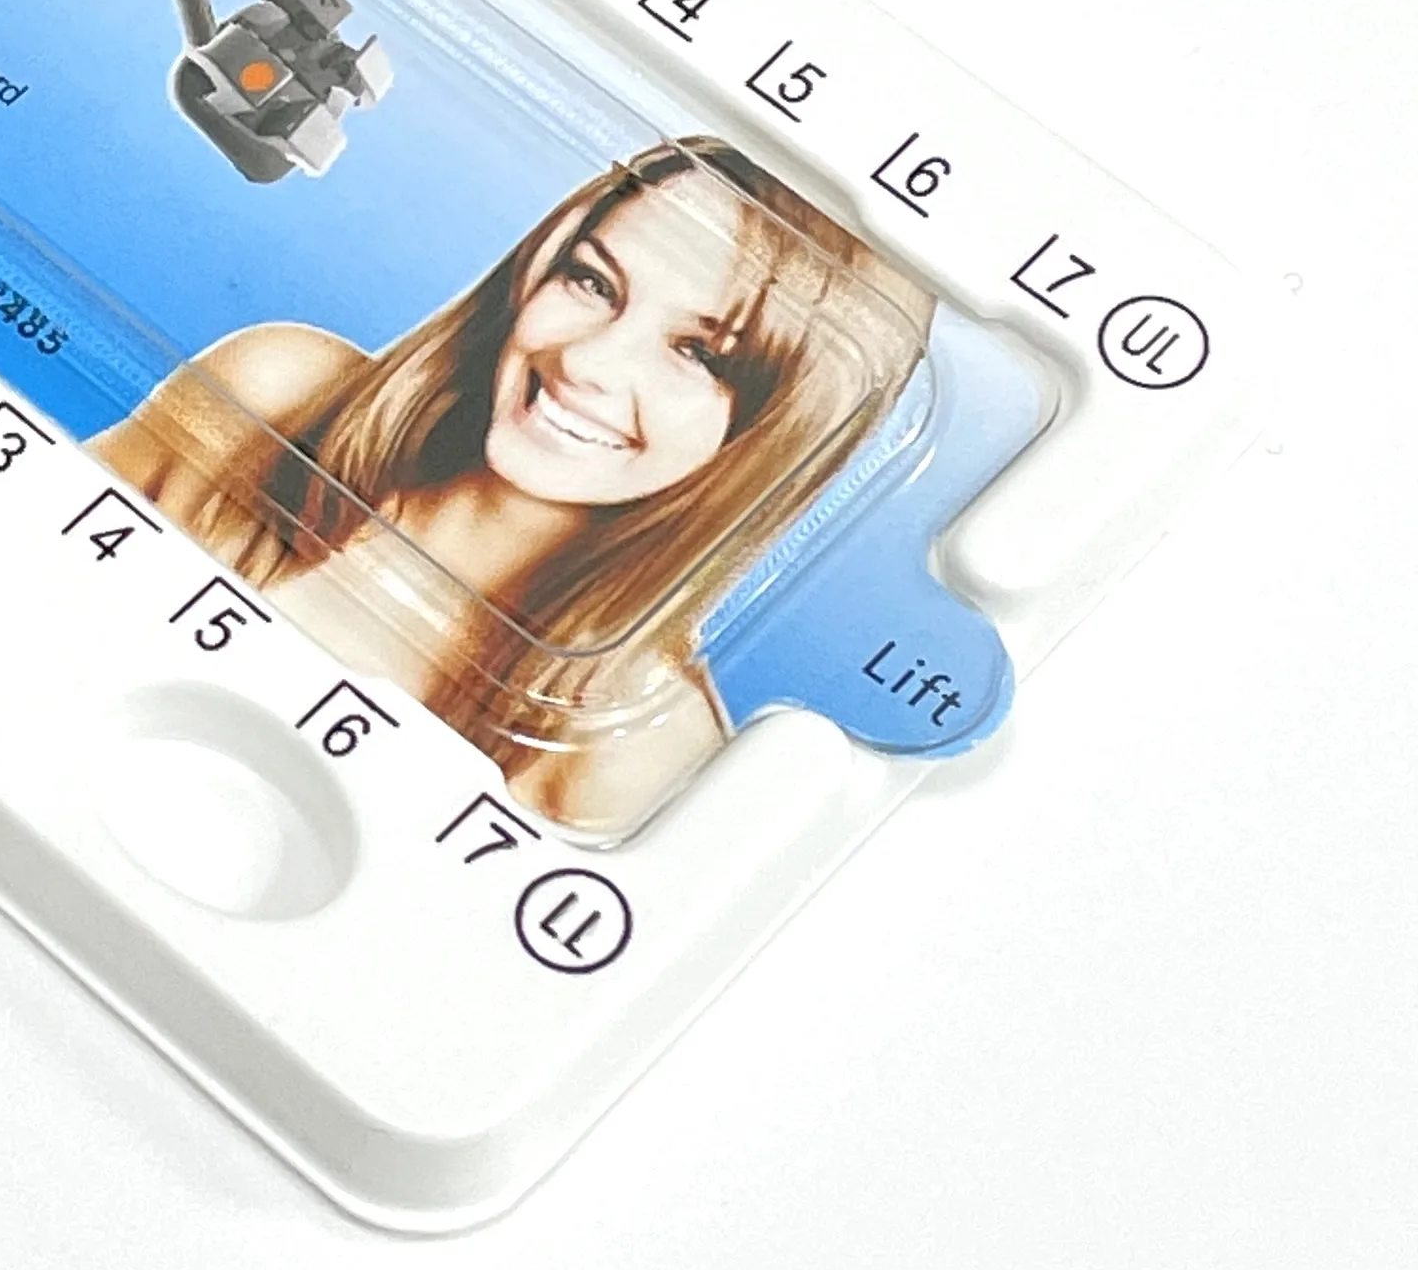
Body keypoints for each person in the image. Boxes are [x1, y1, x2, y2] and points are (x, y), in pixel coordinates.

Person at [88, 139, 932, 835]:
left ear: (782, 431)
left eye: (700, 353)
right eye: (593, 282)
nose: (587, 361)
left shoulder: (638, 752)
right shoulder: (272, 396)